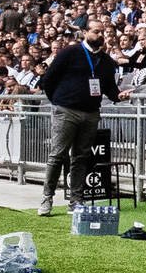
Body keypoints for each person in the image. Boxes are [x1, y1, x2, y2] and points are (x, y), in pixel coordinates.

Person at [35, 25, 128, 216]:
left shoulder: (107, 62)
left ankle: (76, 200)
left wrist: (119, 96)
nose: (100, 35)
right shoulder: (70, 52)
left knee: (81, 157)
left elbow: (109, 88)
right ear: (85, 32)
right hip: (66, 110)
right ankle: (47, 198)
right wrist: (58, 102)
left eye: (103, 32)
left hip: (91, 113)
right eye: (96, 31)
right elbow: (49, 79)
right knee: (57, 155)